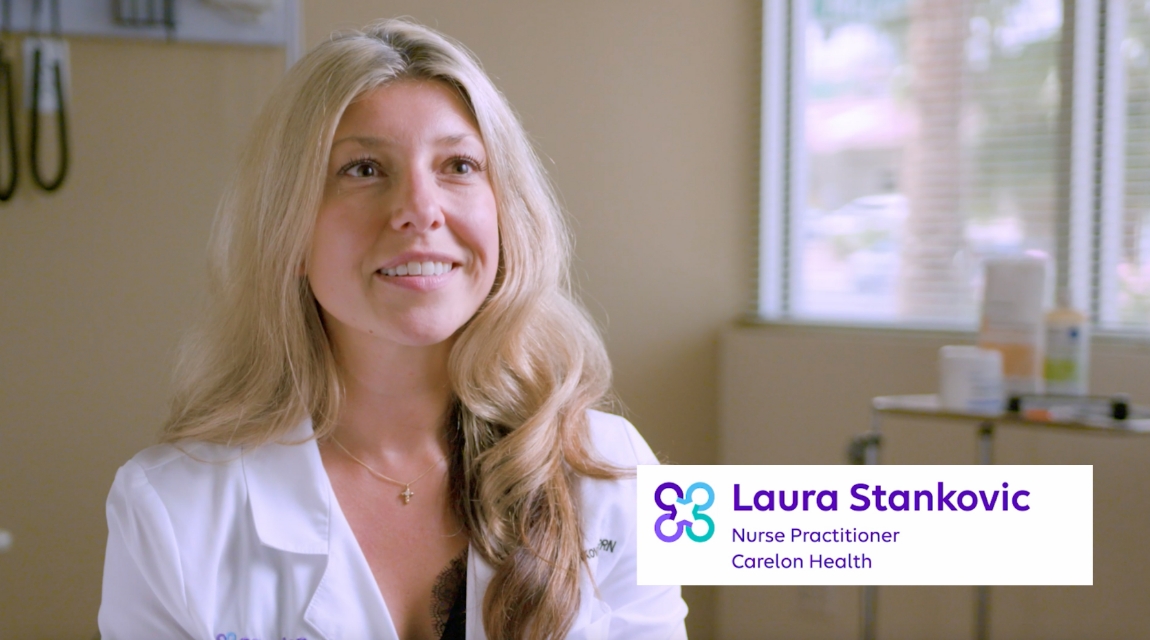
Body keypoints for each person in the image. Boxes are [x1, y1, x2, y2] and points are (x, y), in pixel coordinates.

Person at [97, 18, 688, 640]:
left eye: (458, 165)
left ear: (504, 217)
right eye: (363, 169)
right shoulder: (169, 507)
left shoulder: (612, 471)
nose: (420, 210)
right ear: (288, 230)